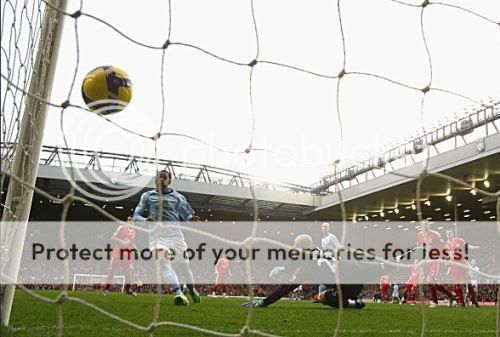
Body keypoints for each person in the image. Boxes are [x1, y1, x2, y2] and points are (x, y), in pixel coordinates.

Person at [133, 170, 201, 305]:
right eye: (159, 178)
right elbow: (136, 216)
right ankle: (179, 295)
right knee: (163, 263)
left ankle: (192, 291)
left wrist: (192, 219)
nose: (161, 180)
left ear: (169, 181)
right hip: (158, 236)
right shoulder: (147, 196)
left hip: (176, 236)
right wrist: (145, 220)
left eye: (164, 178)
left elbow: (187, 216)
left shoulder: (178, 198)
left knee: (185, 269)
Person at [242, 234, 365, 309]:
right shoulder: (321, 251)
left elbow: (287, 287)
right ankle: (353, 299)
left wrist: (264, 302)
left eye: (296, 245)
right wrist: (285, 269)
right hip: (356, 279)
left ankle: (354, 303)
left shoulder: (308, 265)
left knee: (322, 297)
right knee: (325, 292)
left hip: (349, 287)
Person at [416, 221, 455, 307]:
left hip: (435, 260)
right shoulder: (419, 235)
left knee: (430, 280)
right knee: (429, 282)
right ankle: (450, 295)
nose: (425, 226)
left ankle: (435, 302)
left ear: (429, 225)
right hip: (426, 261)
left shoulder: (435, 234)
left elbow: (443, 245)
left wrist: (448, 255)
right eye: (423, 224)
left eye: (427, 224)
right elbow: (419, 248)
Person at [103, 216, 137, 296]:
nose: (131, 223)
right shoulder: (121, 228)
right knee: (112, 271)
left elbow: (132, 243)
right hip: (117, 252)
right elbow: (113, 237)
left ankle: (128, 290)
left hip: (126, 254)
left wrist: (136, 249)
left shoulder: (134, 232)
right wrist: (121, 242)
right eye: (130, 221)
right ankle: (106, 289)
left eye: (133, 222)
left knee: (128, 272)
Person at [445, 229, 479, 307]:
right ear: (446, 235)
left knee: (468, 283)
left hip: (462, 264)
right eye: (447, 233)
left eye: (450, 233)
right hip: (454, 266)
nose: (449, 234)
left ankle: (474, 301)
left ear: (452, 234)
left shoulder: (459, 240)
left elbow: (466, 246)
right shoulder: (446, 245)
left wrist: (474, 247)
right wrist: (448, 262)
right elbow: (448, 255)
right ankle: (461, 302)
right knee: (457, 284)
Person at [319, 223, 342, 294]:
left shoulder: (332, 237)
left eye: (326, 227)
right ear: (321, 228)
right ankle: (321, 295)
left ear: (329, 228)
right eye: (323, 226)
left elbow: (339, 248)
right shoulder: (322, 239)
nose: (324, 228)